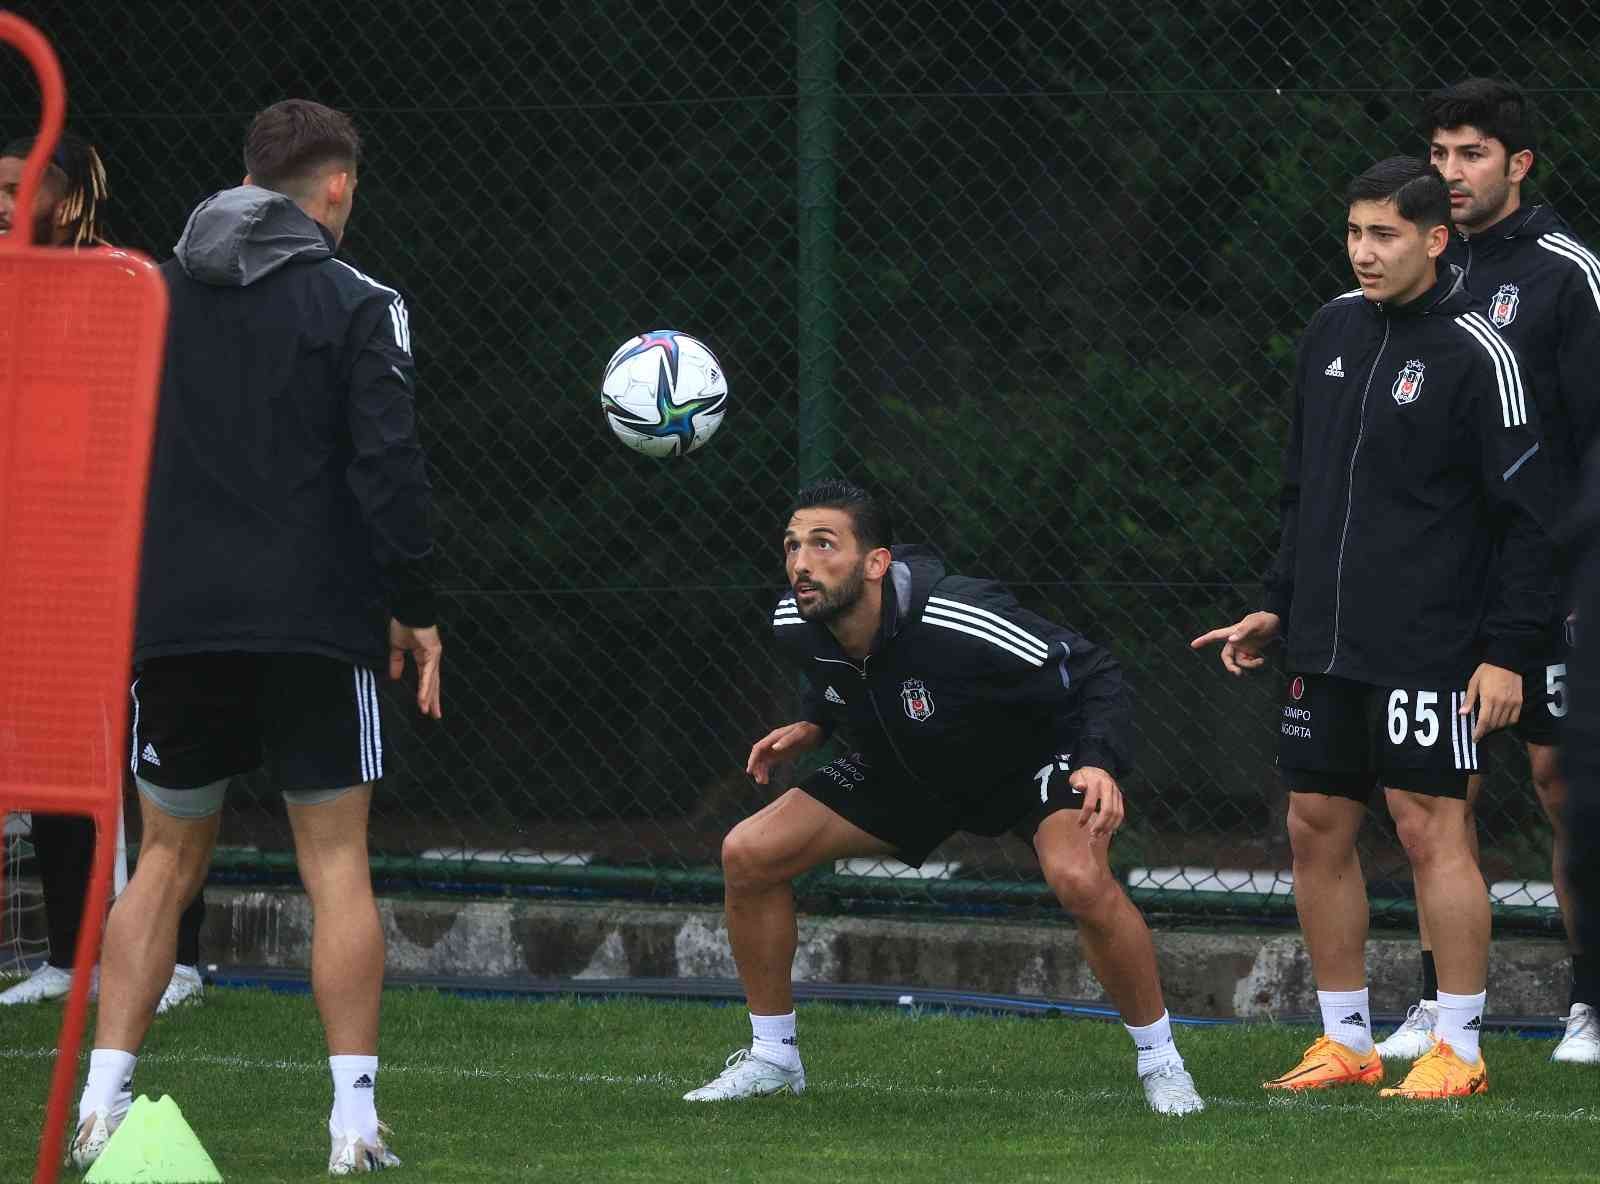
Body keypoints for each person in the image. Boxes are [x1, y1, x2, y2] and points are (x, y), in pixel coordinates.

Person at [69, 99, 443, 1176]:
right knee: (335, 863)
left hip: (177, 623)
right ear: (336, 189)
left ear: (245, 178)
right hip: (319, 625)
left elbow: (105, 452)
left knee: (164, 861)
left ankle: (101, 1103)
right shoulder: (359, 299)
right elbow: (390, 469)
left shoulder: (147, 295)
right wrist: (416, 603)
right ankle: (354, 1121)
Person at [1193, 158, 1554, 1099]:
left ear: (1436, 241)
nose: (1364, 252)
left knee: (1431, 827)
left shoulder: (1481, 352)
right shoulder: (1331, 330)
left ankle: (1460, 1050)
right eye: (1354, 232)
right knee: (1315, 825)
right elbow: (1302, 487)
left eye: (1384, 235)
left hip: (1433, 641)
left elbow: (1530, 520)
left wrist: (1509, 651)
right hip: (1324, 642)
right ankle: (1347, 1040)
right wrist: (1279, 603)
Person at [682, 478, 1205, 1116]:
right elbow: (836, 672)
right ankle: (773, 1058)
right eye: (792, 546)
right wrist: (814, 724)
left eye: (824, 545)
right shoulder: (795, 618)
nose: (801, 563)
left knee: (1078, 879)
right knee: (748, 853)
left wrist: (1098, 763)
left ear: (877, 563)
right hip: (908, 772)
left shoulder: (961, 618)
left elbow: (1096, 672)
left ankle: (1162, 1064)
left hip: (1026, 766)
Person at [1374, 78, 1600, 1067]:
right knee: (1429, 794)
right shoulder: (1412, 265)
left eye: (1470, 155)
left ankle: (1589, 997)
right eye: (1438, 154)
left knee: (1562, 780)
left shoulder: (1565, 274)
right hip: (1438, 576)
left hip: (1551, 571)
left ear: (1518, 164)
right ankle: (1437, 1000)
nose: (1450, 173)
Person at [0, 131, 206, 1014]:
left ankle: (178, 960)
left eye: (15, 186)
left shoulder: (130, 284)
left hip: (125, 551)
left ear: (69, 193)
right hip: (38, 553)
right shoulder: (12, 288)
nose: (1, 203)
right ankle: (63, 954)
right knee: (52, 751)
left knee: (146, 759)